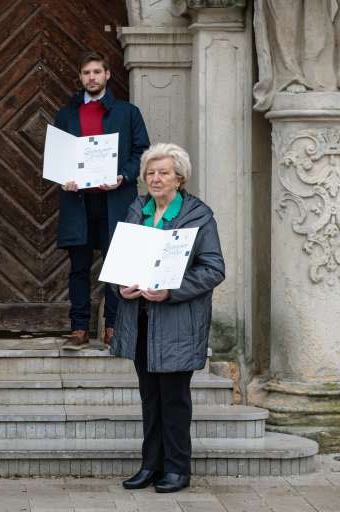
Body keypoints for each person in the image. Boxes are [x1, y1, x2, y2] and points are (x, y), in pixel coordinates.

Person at [111, 143, 225, 493]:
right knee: (150, 398)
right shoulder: (137, 209)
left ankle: (176, 468)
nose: (155, 179)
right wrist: (120, 288)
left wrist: (171, 290)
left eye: (163, 172)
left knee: (173, 399)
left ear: (180, 177)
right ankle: (151, 465)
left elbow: (213, 269)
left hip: (177, 322)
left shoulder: (198, 215)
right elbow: (121, 261)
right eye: (150, 173)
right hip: (141, 320)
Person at [54, 50, 149, 349]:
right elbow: (58, 156)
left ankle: (113, 327)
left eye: (97, 72)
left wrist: (123, 176)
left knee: (117, 265)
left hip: (116, 199)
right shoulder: (67, 114)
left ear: (107, 74)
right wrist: (63, 177)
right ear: (80, 77)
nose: (91, 77)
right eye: (86, 73)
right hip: (78, 201)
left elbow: (141, 152)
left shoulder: (127, 112)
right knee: (79, 267)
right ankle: (79, 328)